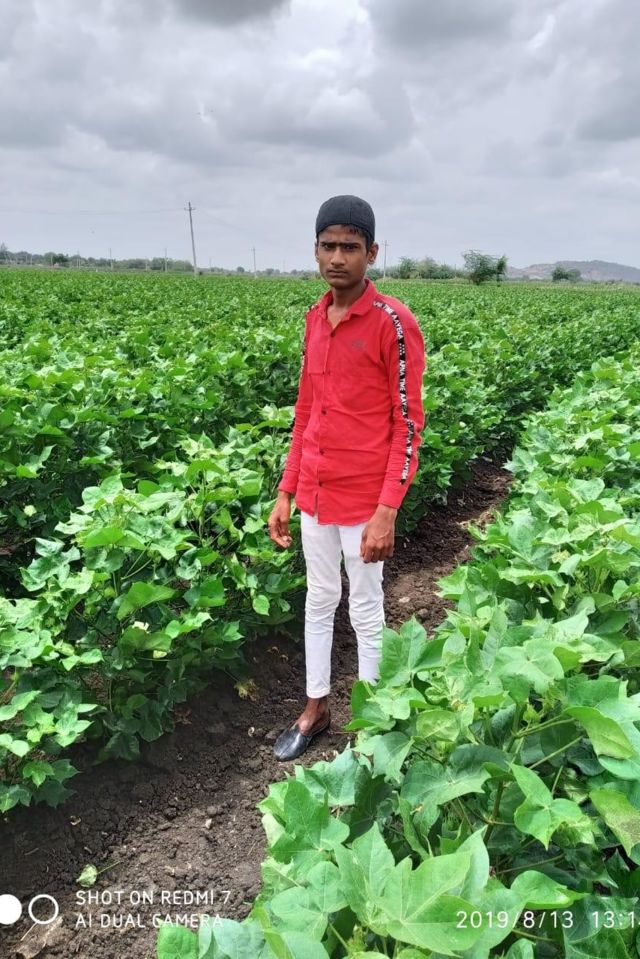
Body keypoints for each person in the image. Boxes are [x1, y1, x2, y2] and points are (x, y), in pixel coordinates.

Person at [267, 195, 426, 761]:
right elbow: (305, 411)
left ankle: (371, 718)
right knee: (319, 597)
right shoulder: (315, 319)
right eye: (328, 246)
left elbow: (407, 423)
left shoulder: (393, 322)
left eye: (350, 247)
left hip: (364, 498)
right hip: (315, 490)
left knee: (364, 604)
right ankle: (316, 707)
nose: (337, 257)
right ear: (315, 250)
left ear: (372, 253)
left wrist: (387, 510)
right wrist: (286, 490)